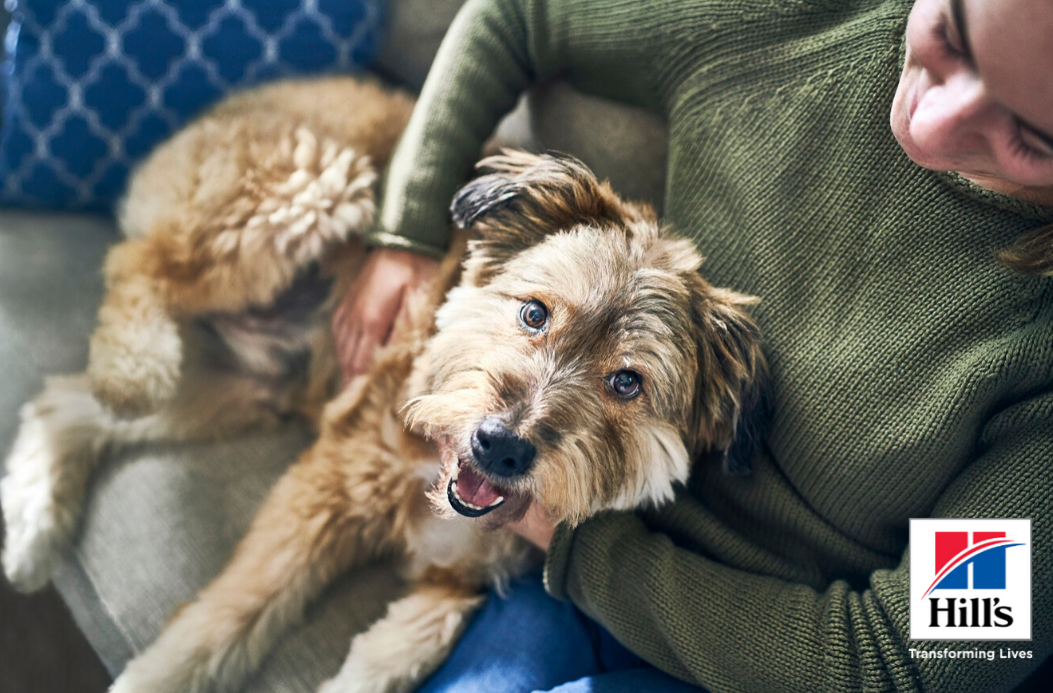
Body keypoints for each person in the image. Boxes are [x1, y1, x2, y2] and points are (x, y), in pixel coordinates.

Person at [332, 0, 1053, 690]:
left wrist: (573, 546)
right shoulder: (808, 19)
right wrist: (407, 232)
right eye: (948, 37)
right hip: (568, 556)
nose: (930, 126)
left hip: (764, 649)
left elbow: (902, 660)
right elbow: (519, 14)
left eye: (1028, 137)